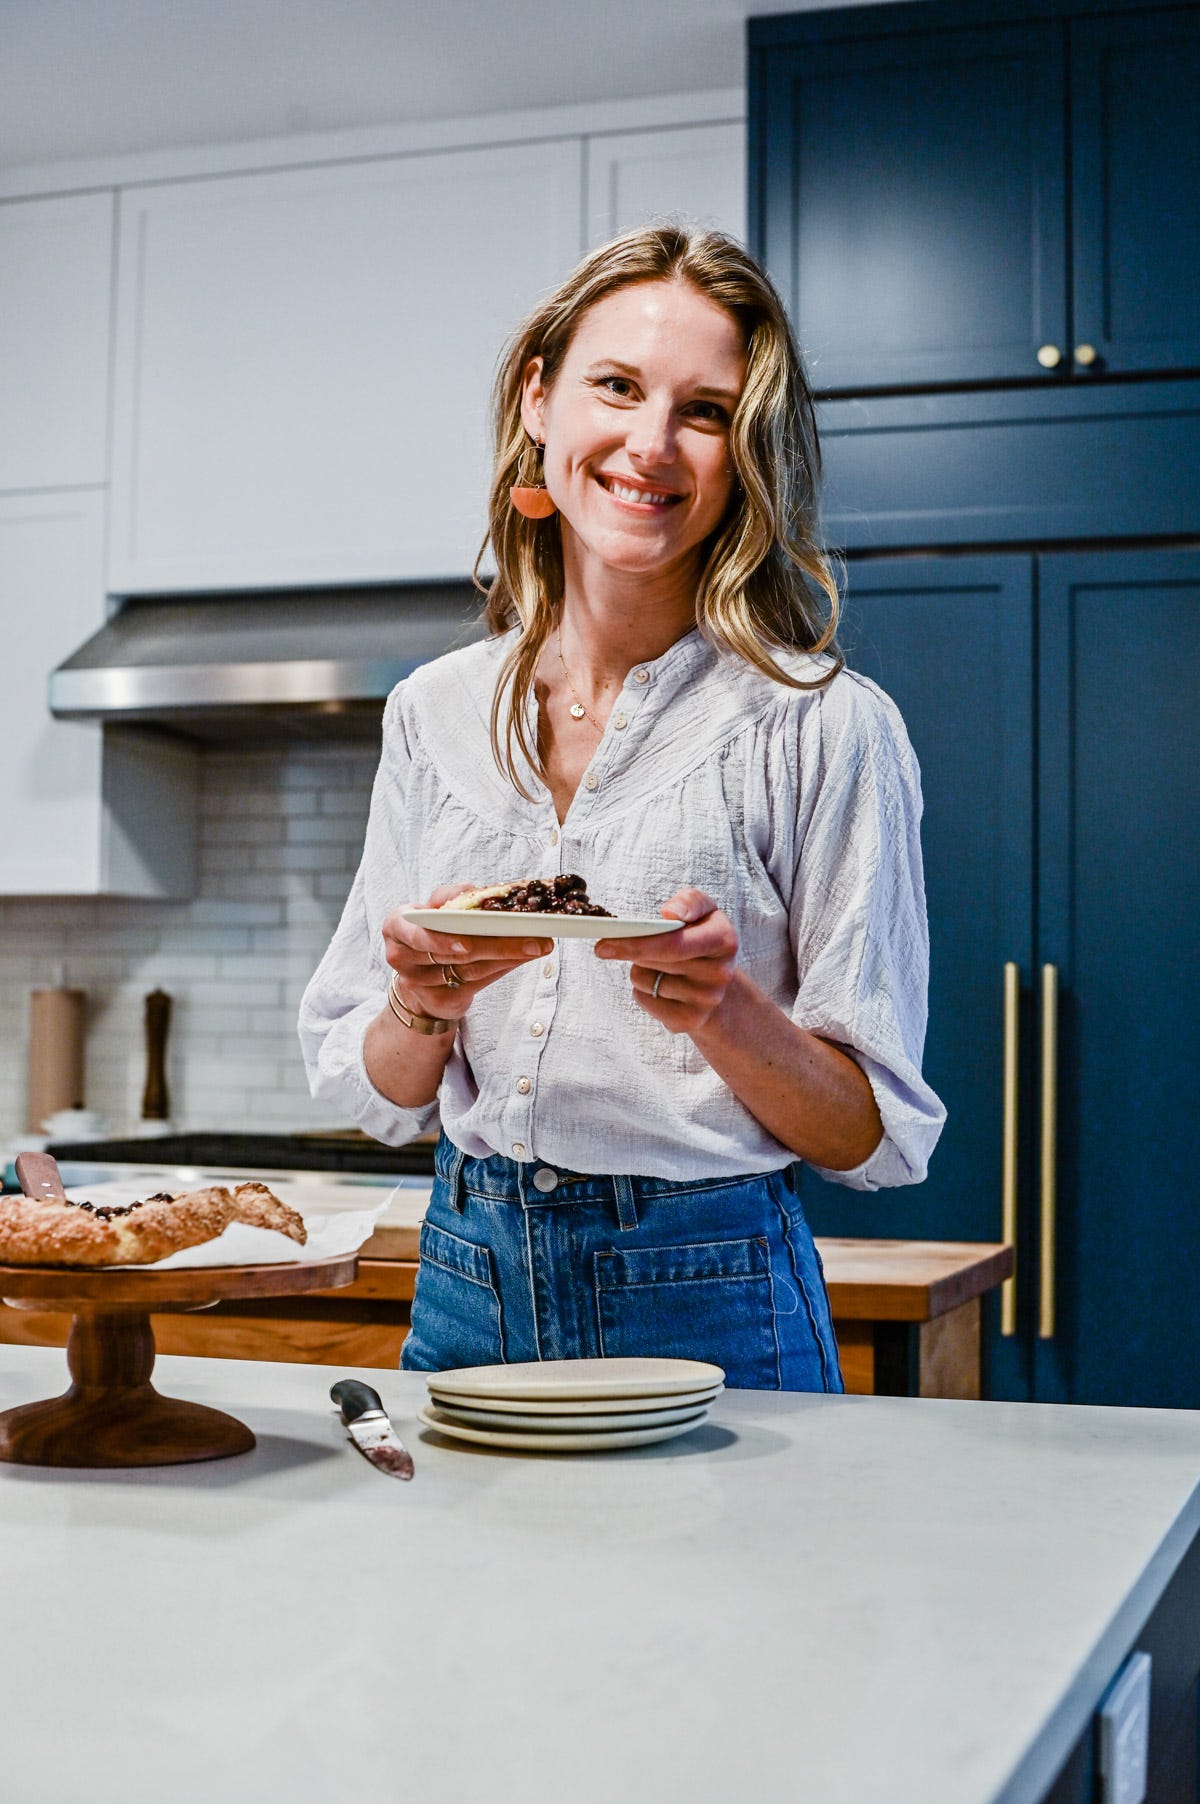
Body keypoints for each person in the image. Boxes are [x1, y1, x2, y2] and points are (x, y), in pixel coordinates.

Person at [300, 225, 945, 1391]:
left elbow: (866, 1132)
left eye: (705, 410)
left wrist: (725, 1010)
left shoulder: (827, 727)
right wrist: (421, 999)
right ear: (540, 397)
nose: (652, 443)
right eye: (617, 385)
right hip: (464, 1278)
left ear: (744, 451)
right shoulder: (431, 715)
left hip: (713, 1289)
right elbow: (384, 1089)